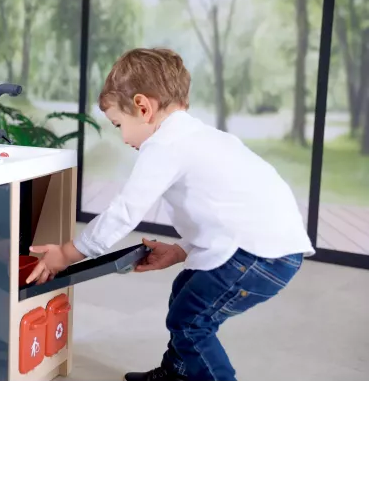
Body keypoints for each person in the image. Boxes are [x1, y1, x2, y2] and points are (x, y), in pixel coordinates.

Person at [25, 47, 315, 385]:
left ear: (143, 108)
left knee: (190, 322)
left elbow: (124, 212)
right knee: (185, 290)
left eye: (119, 124)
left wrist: (67, 253)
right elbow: (224, 215)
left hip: (258, 255)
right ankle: (178, 374)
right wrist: (180, 251)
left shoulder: (164, 145)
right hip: (266, 249)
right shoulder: (199, 137)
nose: (123, 137)